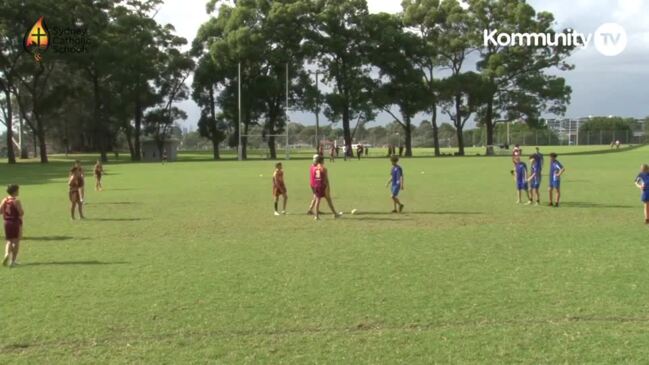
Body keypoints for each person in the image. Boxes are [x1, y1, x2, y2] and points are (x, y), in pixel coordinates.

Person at [313, 155, 342, 221]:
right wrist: (328, 187)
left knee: (318, 200)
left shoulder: (314, 168)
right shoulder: (324, 168)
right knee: (328, 200)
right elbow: (326, 179)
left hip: (316, 185)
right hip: (323, 186)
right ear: (322, 161)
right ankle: (335, 214)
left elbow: (315, 178)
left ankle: (316, 216)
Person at [1, 184, 24, 268]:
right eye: (17, 190)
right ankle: (13, 261)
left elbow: (0, 211)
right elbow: (21, 212)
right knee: (16, 241)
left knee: (9, 240)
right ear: (14, 191)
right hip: (16, 222)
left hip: (7, 222)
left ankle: (6, 254)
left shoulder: (5, 200)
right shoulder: (16, 201)